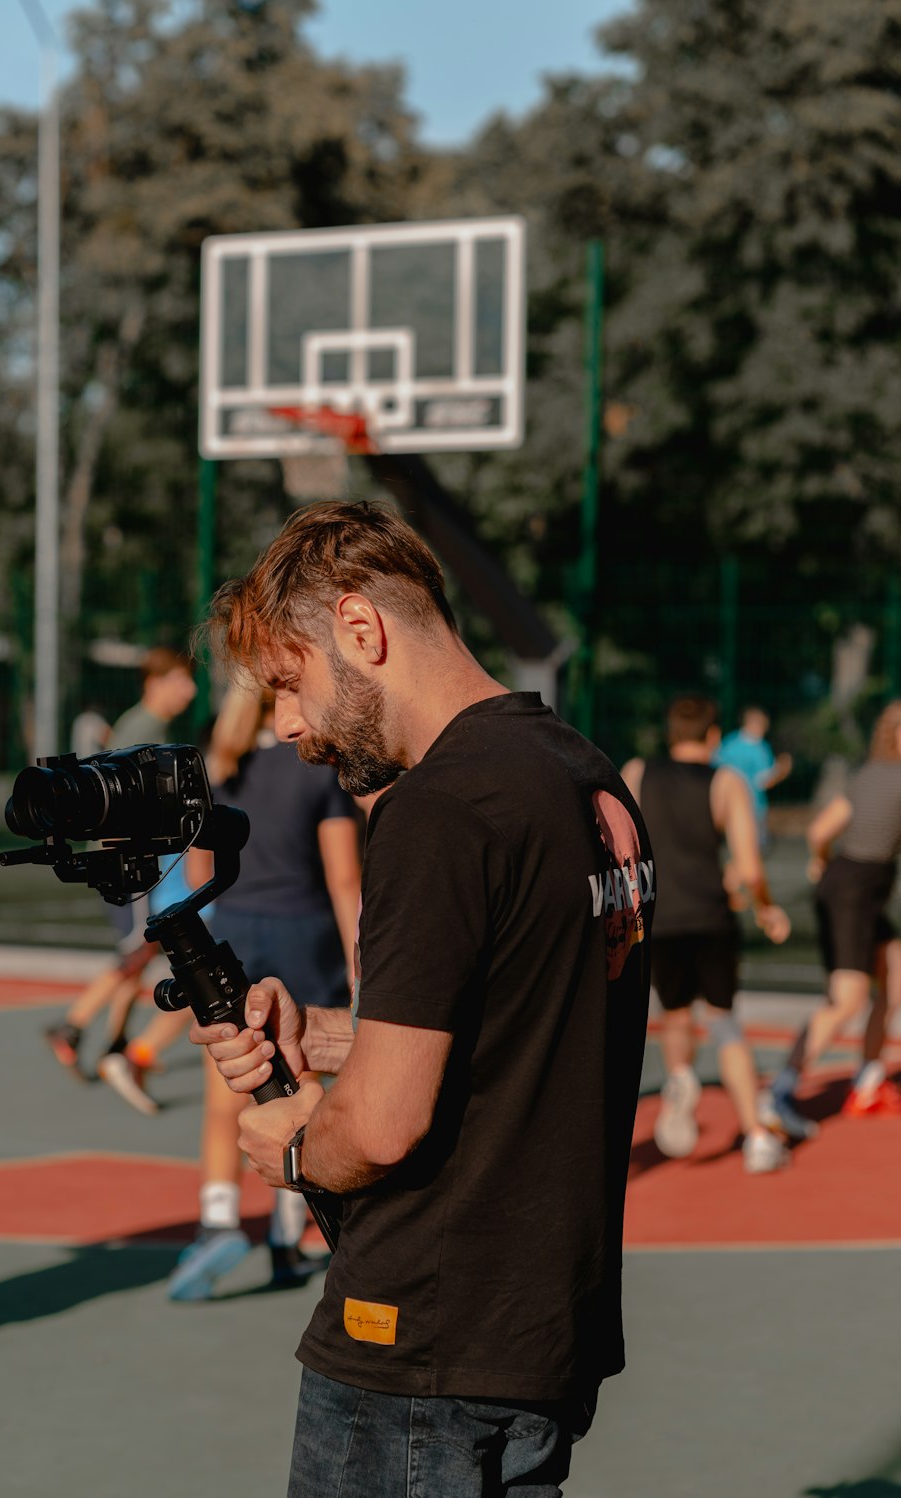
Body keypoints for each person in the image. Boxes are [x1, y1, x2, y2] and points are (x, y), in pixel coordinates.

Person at [189, 500, 654, 1498]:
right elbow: (520, 1023)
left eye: (289, 681)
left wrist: (295, 1146)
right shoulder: (583, 775)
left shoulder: (439, 808)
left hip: (418, 1342)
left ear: (361, 629)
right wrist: (319, 1034)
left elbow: (386, 1125)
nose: (287, 723)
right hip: (540, 1329)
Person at [165, 684, 362, 1300]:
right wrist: (363, 967)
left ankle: (218, 1219)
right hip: (308, 936)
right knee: (301, 1082)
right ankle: (287, 1228)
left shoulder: (217, 769)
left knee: (227, 1084)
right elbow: (344, 875)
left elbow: (199, 877)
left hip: (237, 934)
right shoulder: (316, 769)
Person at [622, 695, 791, 1174]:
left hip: (658, 917)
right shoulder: (727, 782)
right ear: (714, 737)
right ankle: (756, 1138)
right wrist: (766, 907)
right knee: (724, 1021)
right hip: (709, 915)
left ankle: (679, 1077)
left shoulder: (637, 772)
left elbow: (618, 843)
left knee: (674, 1013)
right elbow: (749, 865)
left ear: (671, 732)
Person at [43, 646, 197, 1102]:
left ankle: (112, 1042)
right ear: (156, 683)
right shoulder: (143, 730)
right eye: (181, 681)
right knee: (138, 951)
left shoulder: (149, 727)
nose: (189, 690)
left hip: (131, 861)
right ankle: (72, 1026)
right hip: (125, 863)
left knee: (141, 954)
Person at [763, 700, 901, 1136]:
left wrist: (822, 863)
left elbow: (820, 831)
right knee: (848, 1000)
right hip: (855, 892)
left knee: (894, 971)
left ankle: (868, 1083)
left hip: (850, 885)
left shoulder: (867, 775)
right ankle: (778, 1094)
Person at [713, 706, 793, 846]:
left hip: (728, 804)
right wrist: (782, 770)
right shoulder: (761, 749)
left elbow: (715, 766)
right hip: (754, 806)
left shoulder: (730, 742)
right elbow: (764, 781)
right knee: (753, 848)